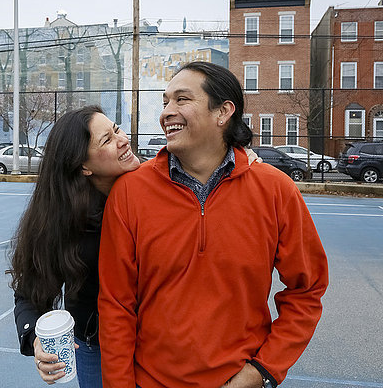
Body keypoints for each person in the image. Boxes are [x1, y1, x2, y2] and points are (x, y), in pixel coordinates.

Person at [97, 61, 329, 388]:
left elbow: (307, 290)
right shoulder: (130, 192)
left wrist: (261, 371)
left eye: (182, 99)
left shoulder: (276, 190)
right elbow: (117, 305)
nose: (166, 112)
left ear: (223, 112)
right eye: (165, 102)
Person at [9, 105, 259, 387]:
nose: (123, 139)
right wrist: (35, 339)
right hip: (99, 345)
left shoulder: (159, 186)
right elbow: (30, 292)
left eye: (116, 129)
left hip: (160, 343)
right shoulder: (62, 222)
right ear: (83, 166)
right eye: (107, 140)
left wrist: (233, 160)